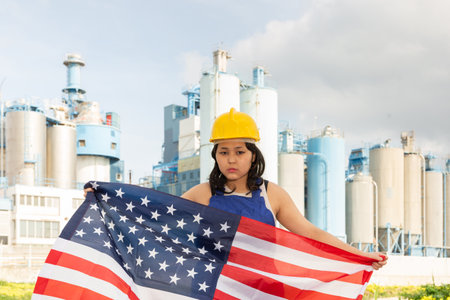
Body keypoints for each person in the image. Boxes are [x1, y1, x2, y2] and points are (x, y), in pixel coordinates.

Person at [182, 108, 387, 270]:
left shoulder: (272, 194)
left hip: (262, 291)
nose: (231, 159)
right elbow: (160, 217)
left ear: (253, 155)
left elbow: (310, 232)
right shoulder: (202, 194)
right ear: (215, 156)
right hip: (216, 290)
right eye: (223, 152)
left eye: (240, 151)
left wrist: (358, 254)